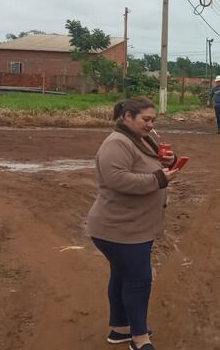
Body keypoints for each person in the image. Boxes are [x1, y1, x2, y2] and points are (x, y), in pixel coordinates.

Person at [87, 96, 180, 350]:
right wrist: (159, 179)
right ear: (128, 117)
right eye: (146, 119)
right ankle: (139, 339)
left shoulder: (142, 138)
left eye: (153, 120)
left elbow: (151, 162)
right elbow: (118, 179)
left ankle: (120, 329)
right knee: (138, 280)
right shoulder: (116, 143)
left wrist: (169, 161)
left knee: (122, 274)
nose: (151, 124)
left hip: (134, 226)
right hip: (119, 228)